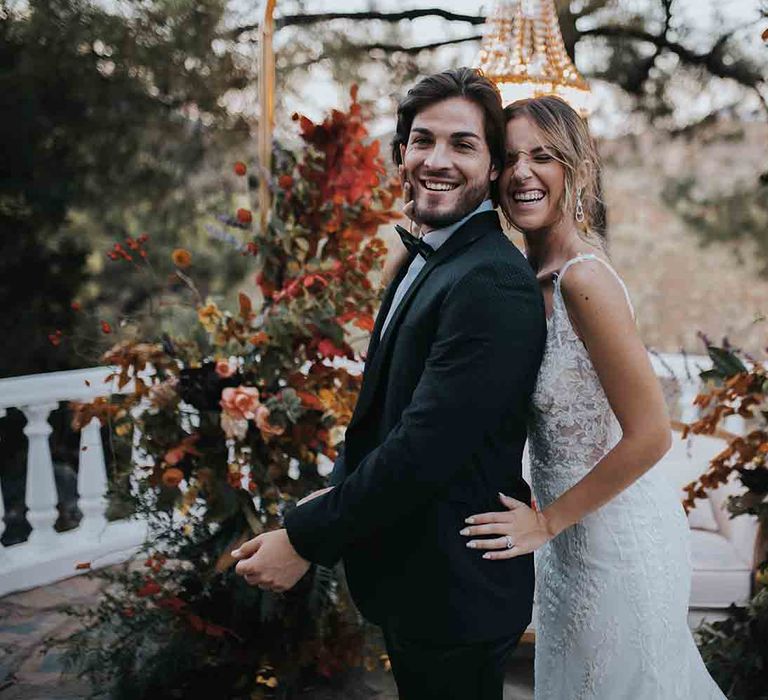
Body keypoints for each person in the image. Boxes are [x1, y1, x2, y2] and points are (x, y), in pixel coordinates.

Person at [231, 67, 546, 700]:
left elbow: (425, 447)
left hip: (455, 591)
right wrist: (321, 505)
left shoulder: (492, 282)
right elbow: (381, 418)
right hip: (415, 583)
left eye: (463, 144)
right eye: (423, 141)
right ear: (400, 155)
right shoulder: (427, 260)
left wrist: (304, 540)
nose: (438, 160)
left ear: (492, 169)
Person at [457, 95, 726, 699]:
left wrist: (546, 522)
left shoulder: (584, 280)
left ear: (574, 169)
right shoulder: (520, 280)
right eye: (510, 157)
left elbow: (652, 434)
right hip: (564, 548)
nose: (524, 172)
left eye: (543, 156)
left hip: (615, 542)